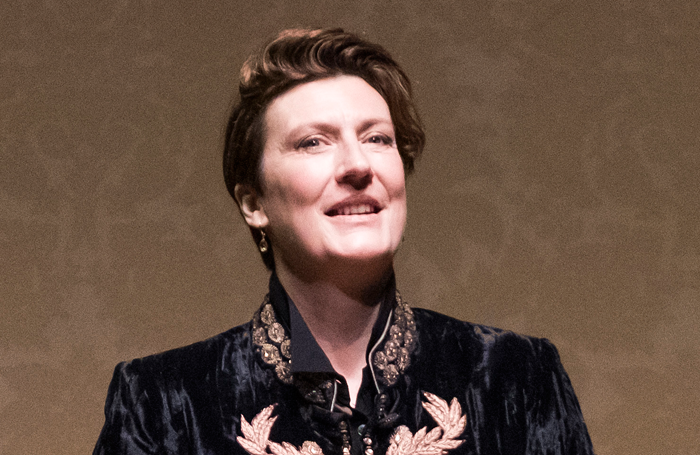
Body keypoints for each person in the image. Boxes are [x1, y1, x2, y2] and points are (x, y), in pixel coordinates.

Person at [93, 28, 594, 455]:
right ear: (254, 203)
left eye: (378, 138)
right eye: (314, 142)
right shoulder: (161, 402)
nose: (358, 165)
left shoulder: (517, 377)